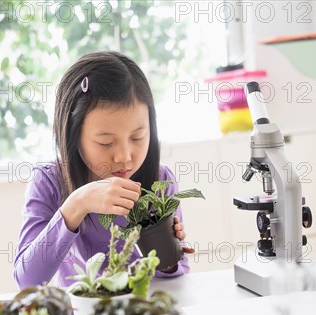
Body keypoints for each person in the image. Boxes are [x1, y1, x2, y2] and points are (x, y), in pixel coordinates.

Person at [13, 51, 194, 289]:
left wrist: (170, 256)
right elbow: (27, 281)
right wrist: (77, 203)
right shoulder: (49, 182)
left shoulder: (160, 180)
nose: (124, 156)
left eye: (138, 137)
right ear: (72, 136)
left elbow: (176, 278)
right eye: (106, 143)